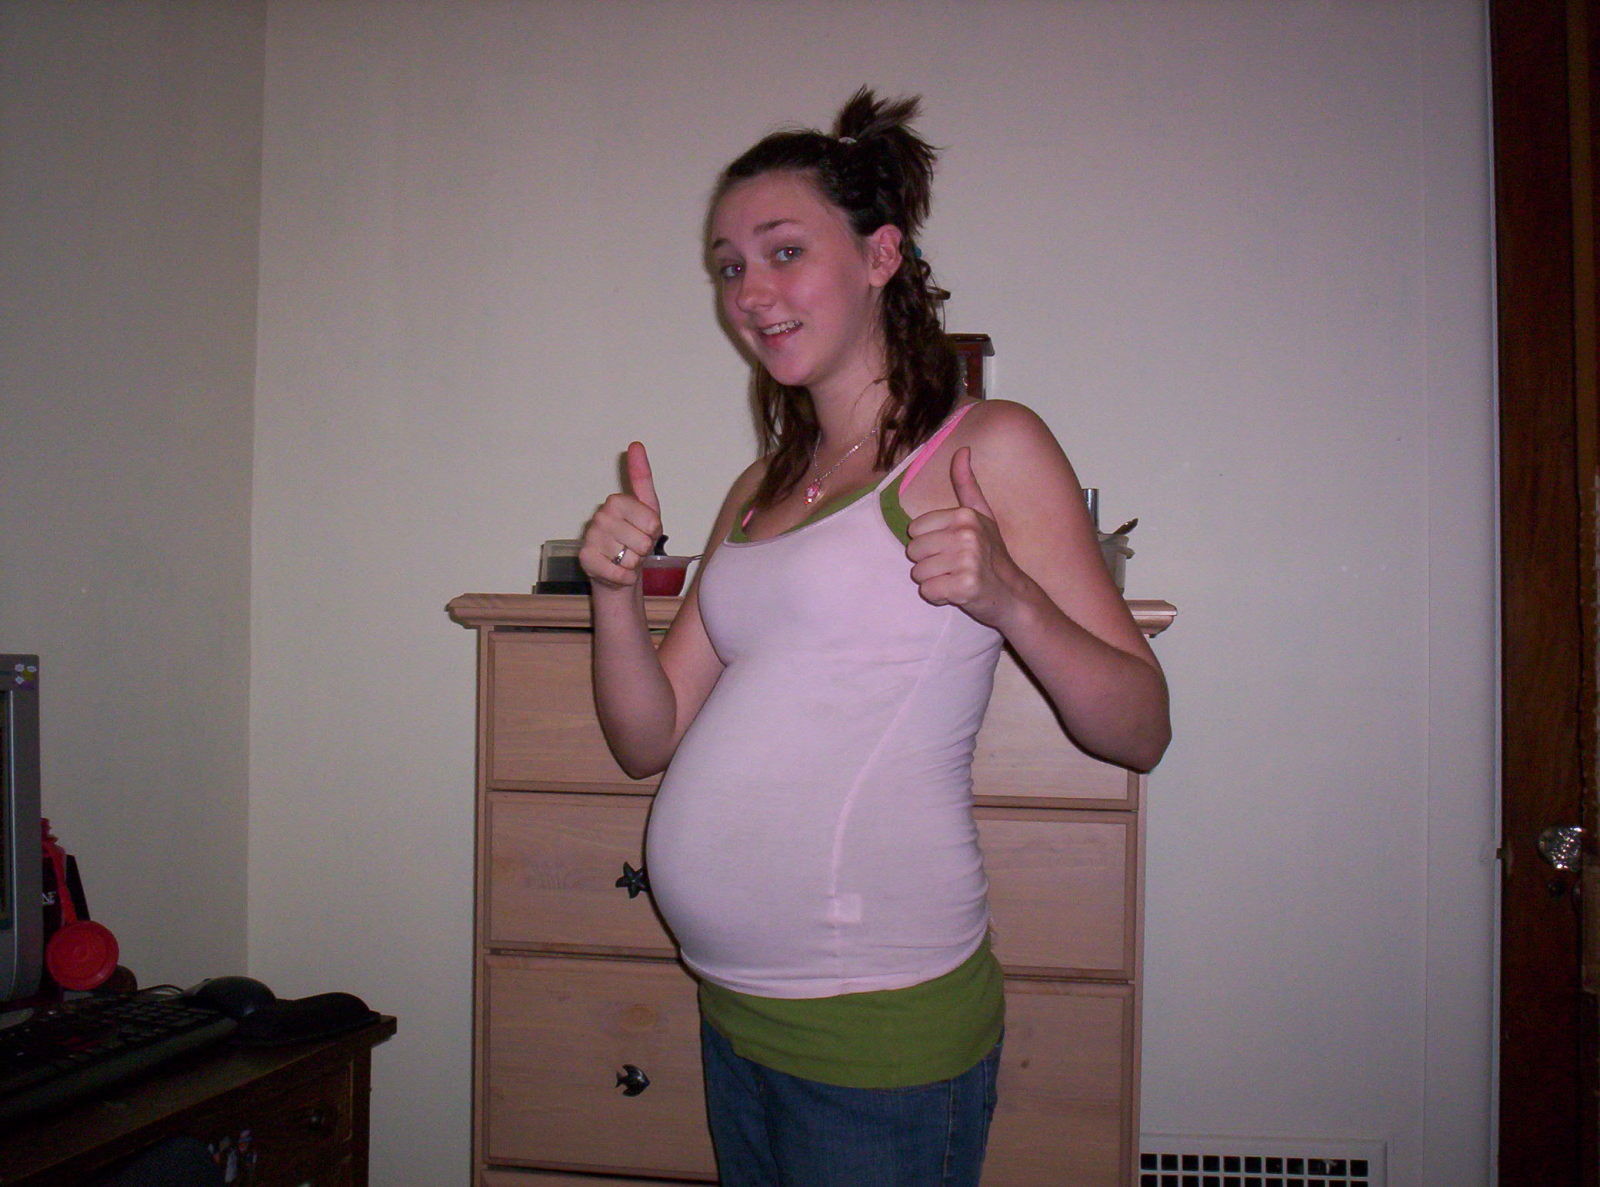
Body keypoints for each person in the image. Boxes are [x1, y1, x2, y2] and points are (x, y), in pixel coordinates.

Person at [578, 87, 1170, 1187]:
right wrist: (614, 593)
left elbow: (1141, 729)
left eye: (783, 251)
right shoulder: (759, 487)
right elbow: (644, 737)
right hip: (735, 1013)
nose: (750, 293)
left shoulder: (985, 446)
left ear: (880, 254)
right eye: (728, 267)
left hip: (879, 1032)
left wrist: (1011, 599)